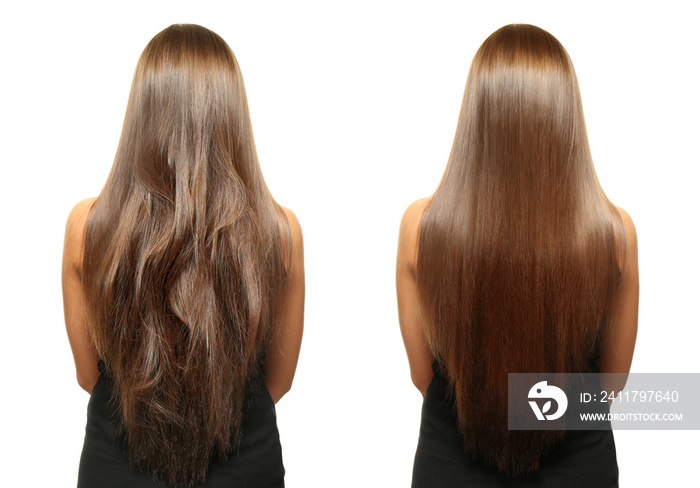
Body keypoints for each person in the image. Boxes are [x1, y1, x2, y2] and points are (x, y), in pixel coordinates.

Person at [62, 24, 304, 487]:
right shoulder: (280, 232)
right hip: (244, 462)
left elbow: (90, 376)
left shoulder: (87, 229)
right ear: (231, 114)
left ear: (142, 112)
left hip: (118, 463)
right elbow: (278, 381)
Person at [397, 24, 638, 487]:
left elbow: (424, 377)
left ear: (478, 113)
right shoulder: (613, 234)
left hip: (451, 462)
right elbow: (610, 386)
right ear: (565, 115)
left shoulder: (422, 229)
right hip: (580, 463)